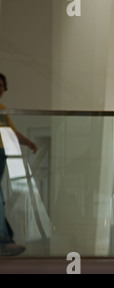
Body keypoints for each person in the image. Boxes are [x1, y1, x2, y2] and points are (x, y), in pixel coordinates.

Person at [0, 72, 38, 256]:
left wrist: (29, 143)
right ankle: (5, 239)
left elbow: (12, 133)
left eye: (1, 85)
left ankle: (5, 238)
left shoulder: (2, 110)